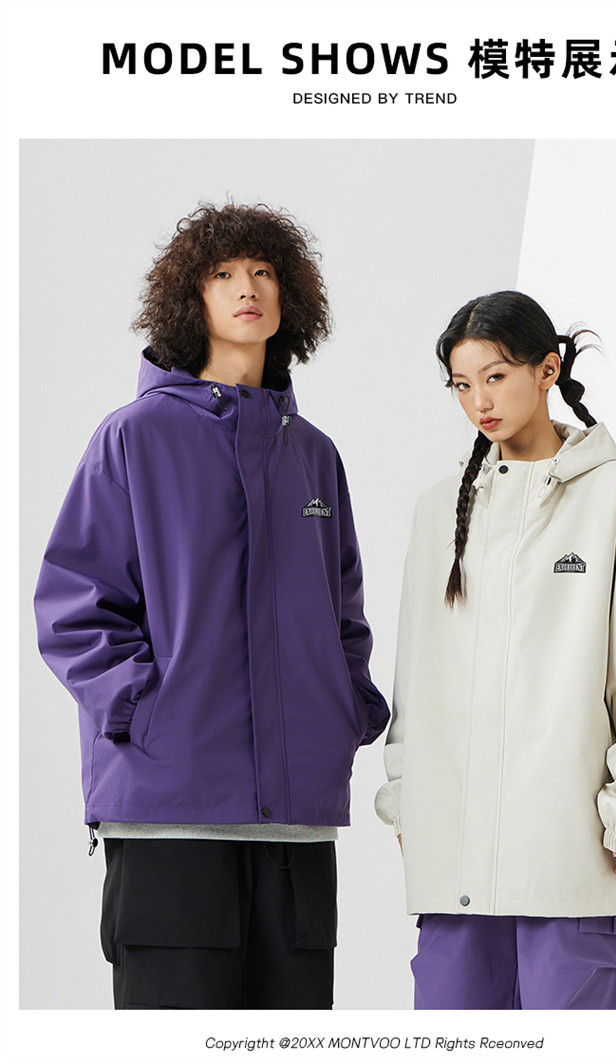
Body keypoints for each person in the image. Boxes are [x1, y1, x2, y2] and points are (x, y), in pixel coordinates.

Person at [34, 202, 389, 1010]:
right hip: (172, 820)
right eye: (224, 274)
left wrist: (347, 709)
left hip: (296, 830)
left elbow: (344, 612)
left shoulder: (314, 455)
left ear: (290, 296)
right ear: (189, 299)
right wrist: (145, 708)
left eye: (263, 272)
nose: (247, 288)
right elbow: (74, 606)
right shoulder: (133, 438)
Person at [374, 290, 616, 1010]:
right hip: (455, 858)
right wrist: (407, 798)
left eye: (496, 376)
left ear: (547, 369)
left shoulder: (614, 494)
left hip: (572, 851)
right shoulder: (440, 510)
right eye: (462, 384)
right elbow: (416, 679)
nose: (479, 401)